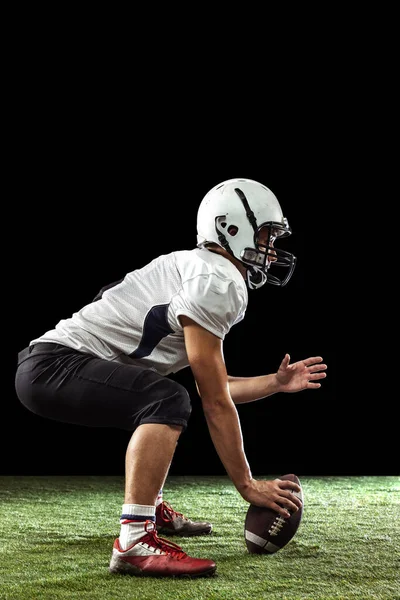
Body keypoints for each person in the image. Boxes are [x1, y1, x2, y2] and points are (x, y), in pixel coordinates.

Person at [15, 177, 327, 579]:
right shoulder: (216, 280)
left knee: (165, 399)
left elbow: (213, 389)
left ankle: (149, 508)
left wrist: (275, 383)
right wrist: (247, 484)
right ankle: (135, 539)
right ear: (232, 229)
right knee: (165, 400)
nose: (272, 248)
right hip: (53, 366)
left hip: (49, 366)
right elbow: (214, 403)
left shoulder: (201, 270)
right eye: (267, 234)